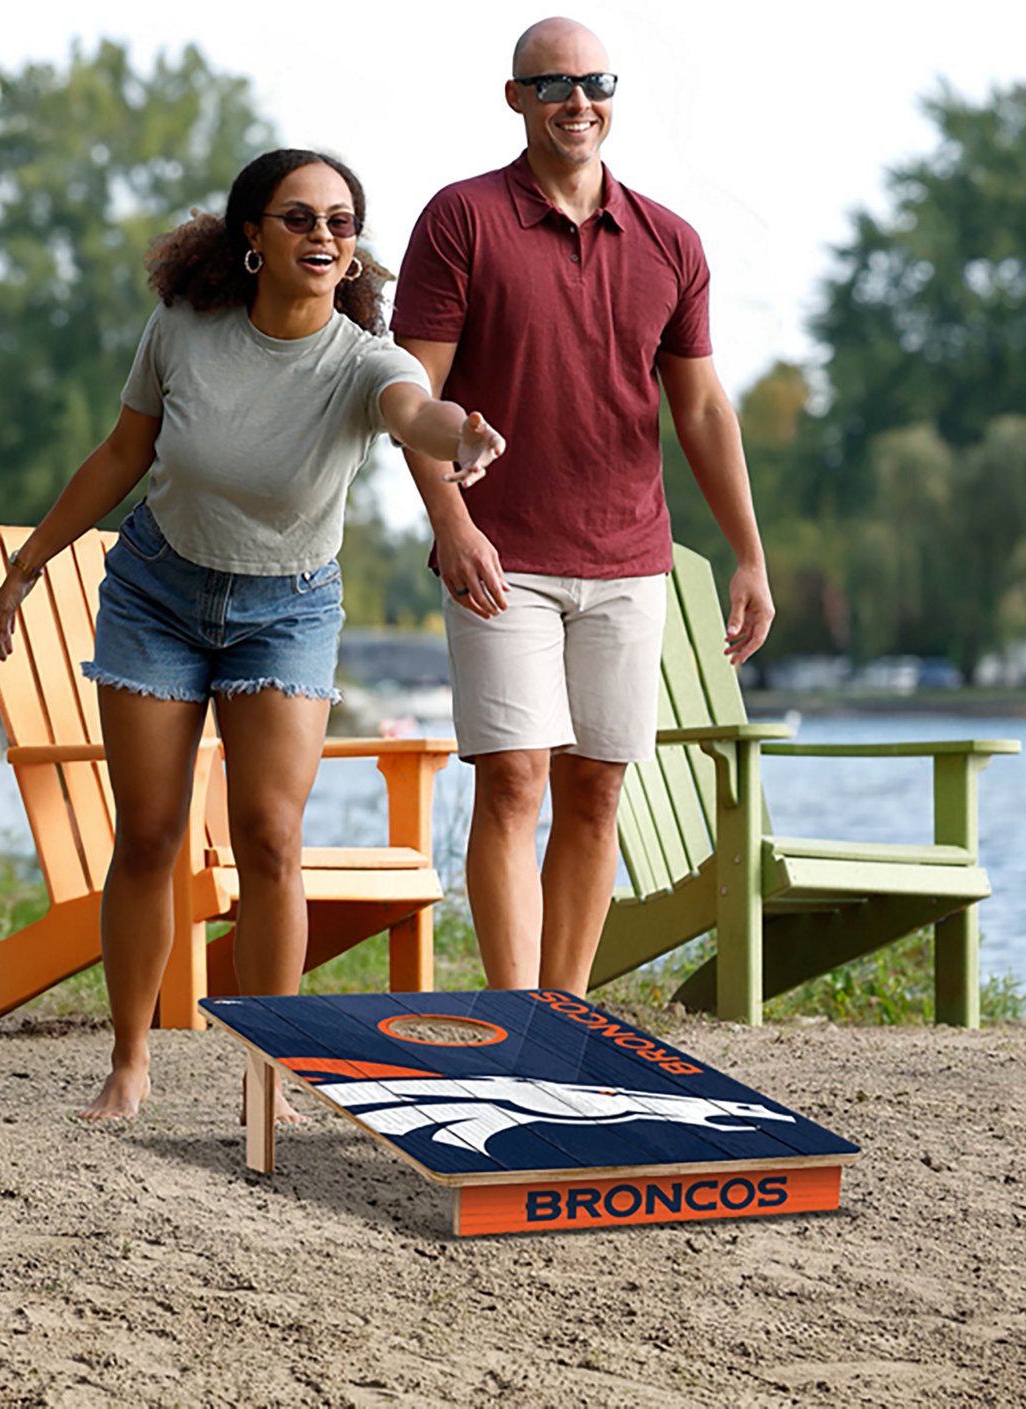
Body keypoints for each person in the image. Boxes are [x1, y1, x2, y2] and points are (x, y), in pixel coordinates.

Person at [0, 149, 506, 1121]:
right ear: (253, 236)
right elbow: (123, 453)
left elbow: (414, 413)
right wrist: (30, 562)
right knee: (149, 833)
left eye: (340, 221)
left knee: (270, 837)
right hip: (158, 595)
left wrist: (460, 437)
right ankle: (129, 1061)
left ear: (354, 249)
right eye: (299, 217)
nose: (322, 235)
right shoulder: (184, 328)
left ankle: (270, 1072)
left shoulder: (365, 360)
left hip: (288, 610)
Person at [391, 18, 774, 995]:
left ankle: (560, 1017)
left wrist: (749, 554)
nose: (577, 101)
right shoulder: (461, 219)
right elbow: (410, 395)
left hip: (629, 559)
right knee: (514, 777)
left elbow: (701, 408)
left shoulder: (670, 241)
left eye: (595, 82)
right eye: (554, 84)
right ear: (515, 98)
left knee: (597, 789)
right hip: (500, 554)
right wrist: (452, 525)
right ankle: (515, 1011)